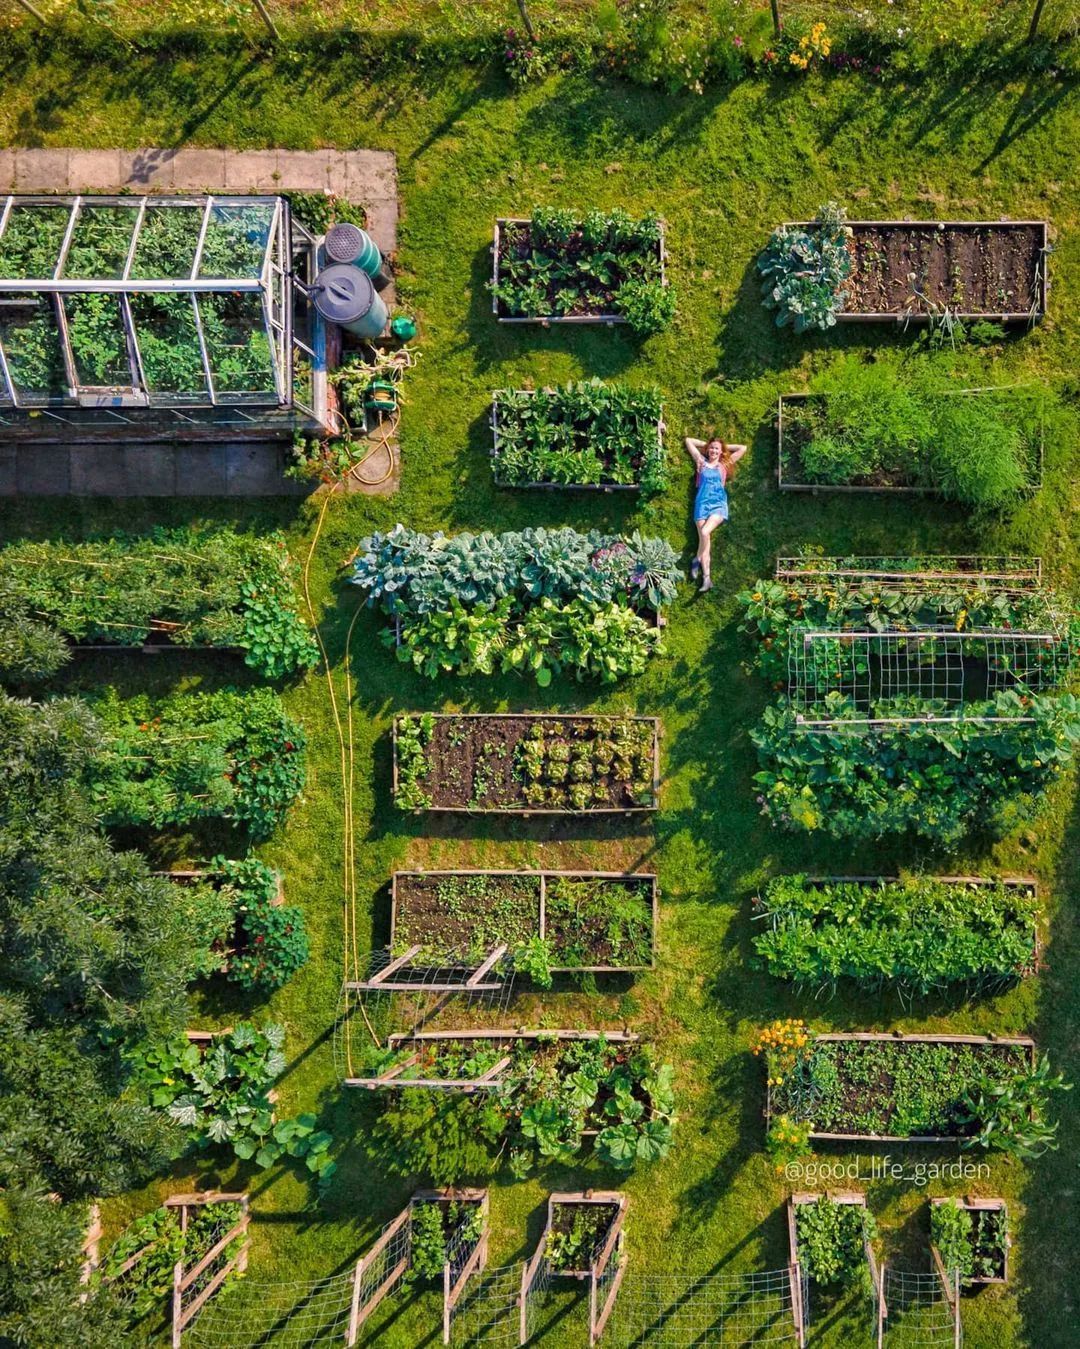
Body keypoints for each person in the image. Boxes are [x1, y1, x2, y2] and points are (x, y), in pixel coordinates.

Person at [685, 435, 747, 593]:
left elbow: (743, 448)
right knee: (705, 542)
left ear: (721, 452)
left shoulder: (724, 465)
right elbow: (689, 441)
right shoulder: (701, 462)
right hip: (701, 504)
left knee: (705, 532)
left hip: (718, 505)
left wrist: (724, 447)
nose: (713, 450)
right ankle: (707, 579)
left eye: (716, 449)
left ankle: (696, 559)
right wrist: (706, 444)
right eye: (711, 448)